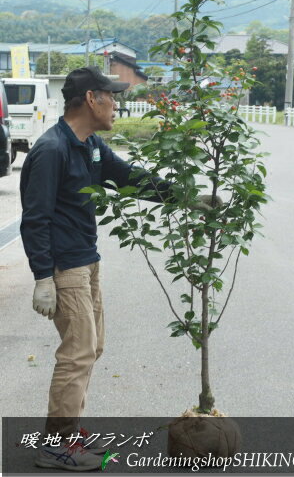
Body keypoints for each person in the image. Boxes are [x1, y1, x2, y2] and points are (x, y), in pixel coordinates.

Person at [20, 66, 220, 471]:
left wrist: (186, 197)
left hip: (86, 261)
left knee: (92, 348)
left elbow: (130, 177)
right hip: (64, 267)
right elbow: (35, 218)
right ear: (92, 99)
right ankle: (55, 445)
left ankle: (67, 431)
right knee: (77, 354)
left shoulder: (89, 144)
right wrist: (43, 276)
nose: (118, 103)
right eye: (112, 96)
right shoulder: (52, 150)